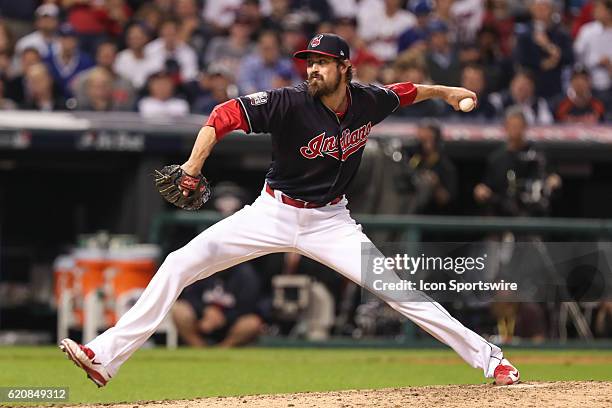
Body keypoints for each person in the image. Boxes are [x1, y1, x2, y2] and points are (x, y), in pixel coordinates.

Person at [59, 33, 520, 388]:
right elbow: (223, 115)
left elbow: (410, 90)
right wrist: (192, 165)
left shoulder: (368, 100)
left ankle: (492, 361)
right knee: (179, 263)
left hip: (331, 222)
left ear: (345, 68)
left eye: (321, 63)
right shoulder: (289, 101)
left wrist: (450, 91)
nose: (312, 69)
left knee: (398, 291)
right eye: (309, 62)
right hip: (270, 213)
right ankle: (104, 358)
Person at [474, 106, 561, 216]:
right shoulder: (497, 158)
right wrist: (481, 190)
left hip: (534, 211)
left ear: (525, 127)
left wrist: (553, 180)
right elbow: (488, 186)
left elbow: (552, 177)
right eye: (512, 126)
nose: (515, 130)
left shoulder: (538, 153)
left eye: (518, 126)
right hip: (504, 213)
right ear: (505, 127)